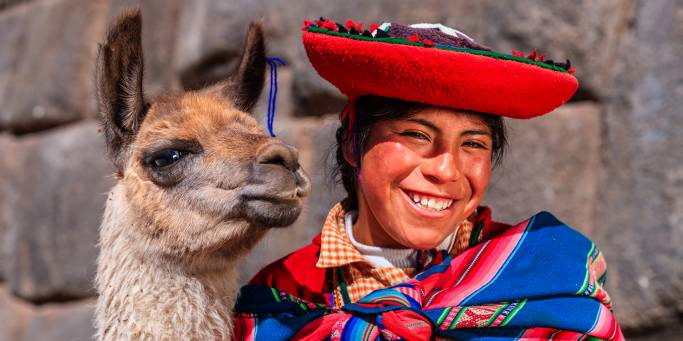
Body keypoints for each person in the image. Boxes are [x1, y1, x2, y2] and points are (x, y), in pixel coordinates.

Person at [234, 19, 623, 340]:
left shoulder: (546, 276)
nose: (447, 170)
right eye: (416, 135)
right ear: (353, 143)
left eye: (473, 144)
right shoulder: (281, 298)